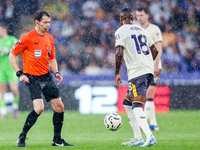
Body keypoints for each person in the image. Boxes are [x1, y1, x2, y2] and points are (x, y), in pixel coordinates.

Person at [8, 11, 74, 147]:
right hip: (32, 78)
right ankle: (22, 137)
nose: (48, 25)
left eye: (49, 22)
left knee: (60, 107)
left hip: (46, 76)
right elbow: (11, 56)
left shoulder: (49, 38)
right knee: (39, 108)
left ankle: (57, 140)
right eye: (45, 22)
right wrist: (20, 74)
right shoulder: (27, 38)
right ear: (37, 22)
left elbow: (52, 58)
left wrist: (56, 73)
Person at [115, 8, 158, 147]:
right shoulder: (143, 30)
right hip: (147, 71)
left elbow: (119, 53)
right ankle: (137, 137)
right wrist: (145, 63)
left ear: (121, 19)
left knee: (136, 106)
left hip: (136, 73)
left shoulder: (120, 31)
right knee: (127, 103)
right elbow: (155, 51)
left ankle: (150, 136)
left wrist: (117, 72)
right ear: (132, 19)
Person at [136, 8, 163, 131]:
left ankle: (144, 123)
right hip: (142, 67)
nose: (139, 18)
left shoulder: (154, 29)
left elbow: (159, 48)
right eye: (137, 15)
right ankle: (153, 123)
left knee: (148, 93)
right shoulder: (135, 30)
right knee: (146, 95)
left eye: (141, 15)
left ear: (147, 16)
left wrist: (156, 65)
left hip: (153, 66)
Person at [0, 24, 19, 119]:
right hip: (1, 69)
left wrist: (8, 50)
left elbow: (18, 49)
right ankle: (3, 112)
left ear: (4, 30)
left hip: (12, 68)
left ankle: (15, 107)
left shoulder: (12, 39)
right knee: (2, 91)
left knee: (14, 89)